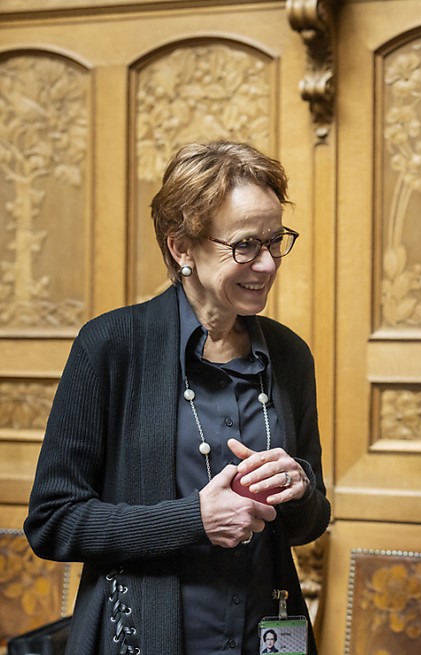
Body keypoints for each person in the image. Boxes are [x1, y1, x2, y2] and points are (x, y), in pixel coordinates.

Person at [25, 141, 330, 654]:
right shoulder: (111, 345)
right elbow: (53, 521)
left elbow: (310, 523)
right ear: (182, 248)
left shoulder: (290, 355)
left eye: (276, 241)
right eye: (245, 245)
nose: (269, 264)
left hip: (269, 634)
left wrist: (299, 488)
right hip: (146, 637)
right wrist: (194, 520)